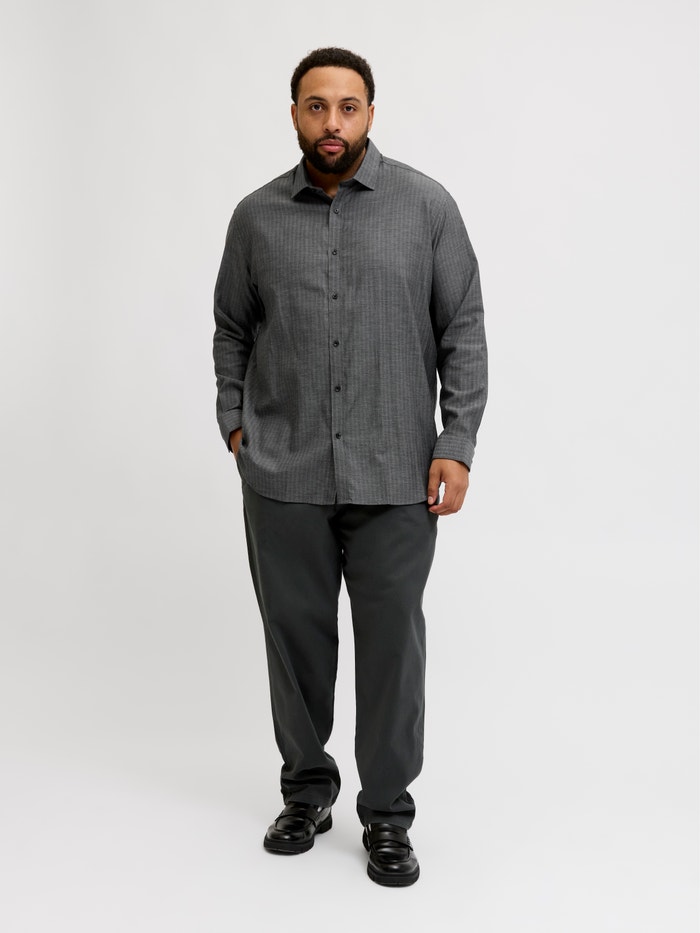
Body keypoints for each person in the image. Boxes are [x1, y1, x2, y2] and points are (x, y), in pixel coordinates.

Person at [213, 47, 487, 887]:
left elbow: (463, 329)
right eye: (316, 106)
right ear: (295, 113)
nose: (332, 122)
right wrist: (235, 424)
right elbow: (232, 328)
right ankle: (306, 791)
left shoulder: (427, 207)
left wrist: (455, 442)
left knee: (392, 648)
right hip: (283, 473)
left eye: (348, 106)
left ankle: (388, 814)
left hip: (397, 474)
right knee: (295, 642)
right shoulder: (256, 218)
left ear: (370, 112)